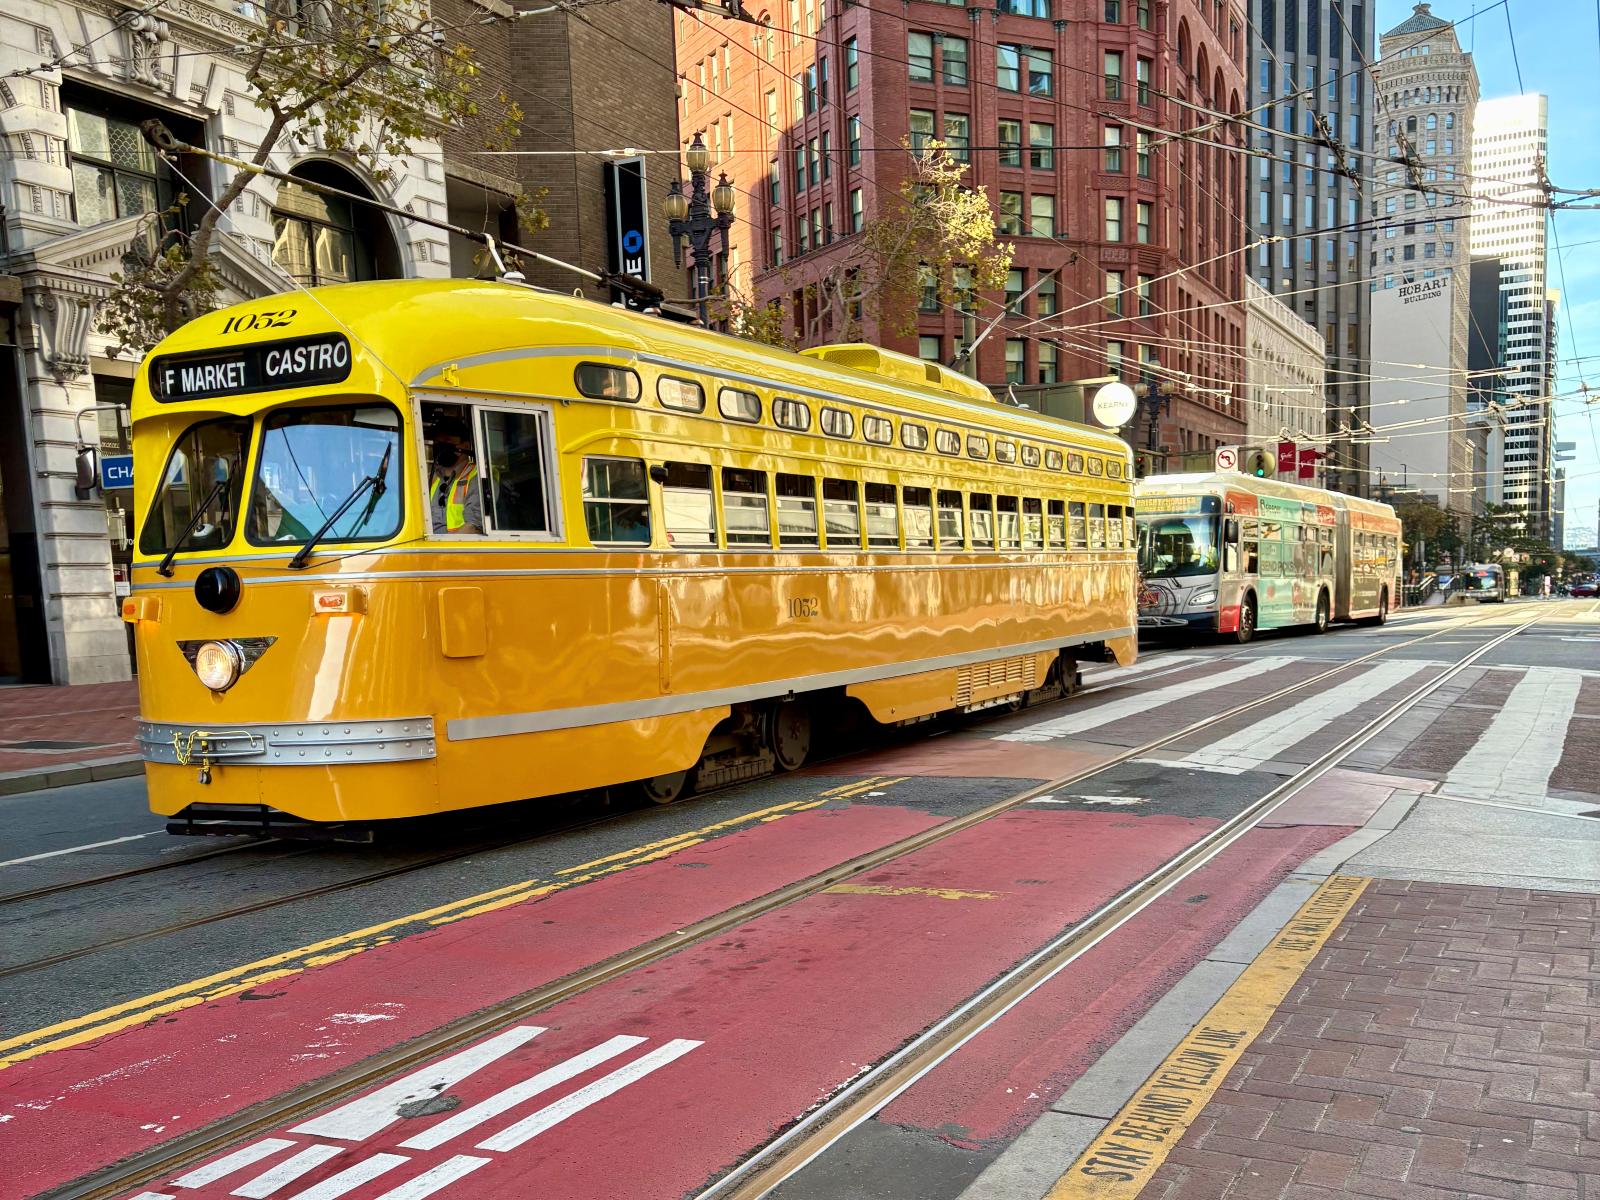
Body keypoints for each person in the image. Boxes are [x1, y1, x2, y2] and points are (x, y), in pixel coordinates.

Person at [427, 413, 482, 534]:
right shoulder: (432, 478)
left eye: (447, 440)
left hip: (459, 550)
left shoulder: (478, 476)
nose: (441, 446)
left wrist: (442, 552)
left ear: (465, 446)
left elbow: (474, 526)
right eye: (437, 442)